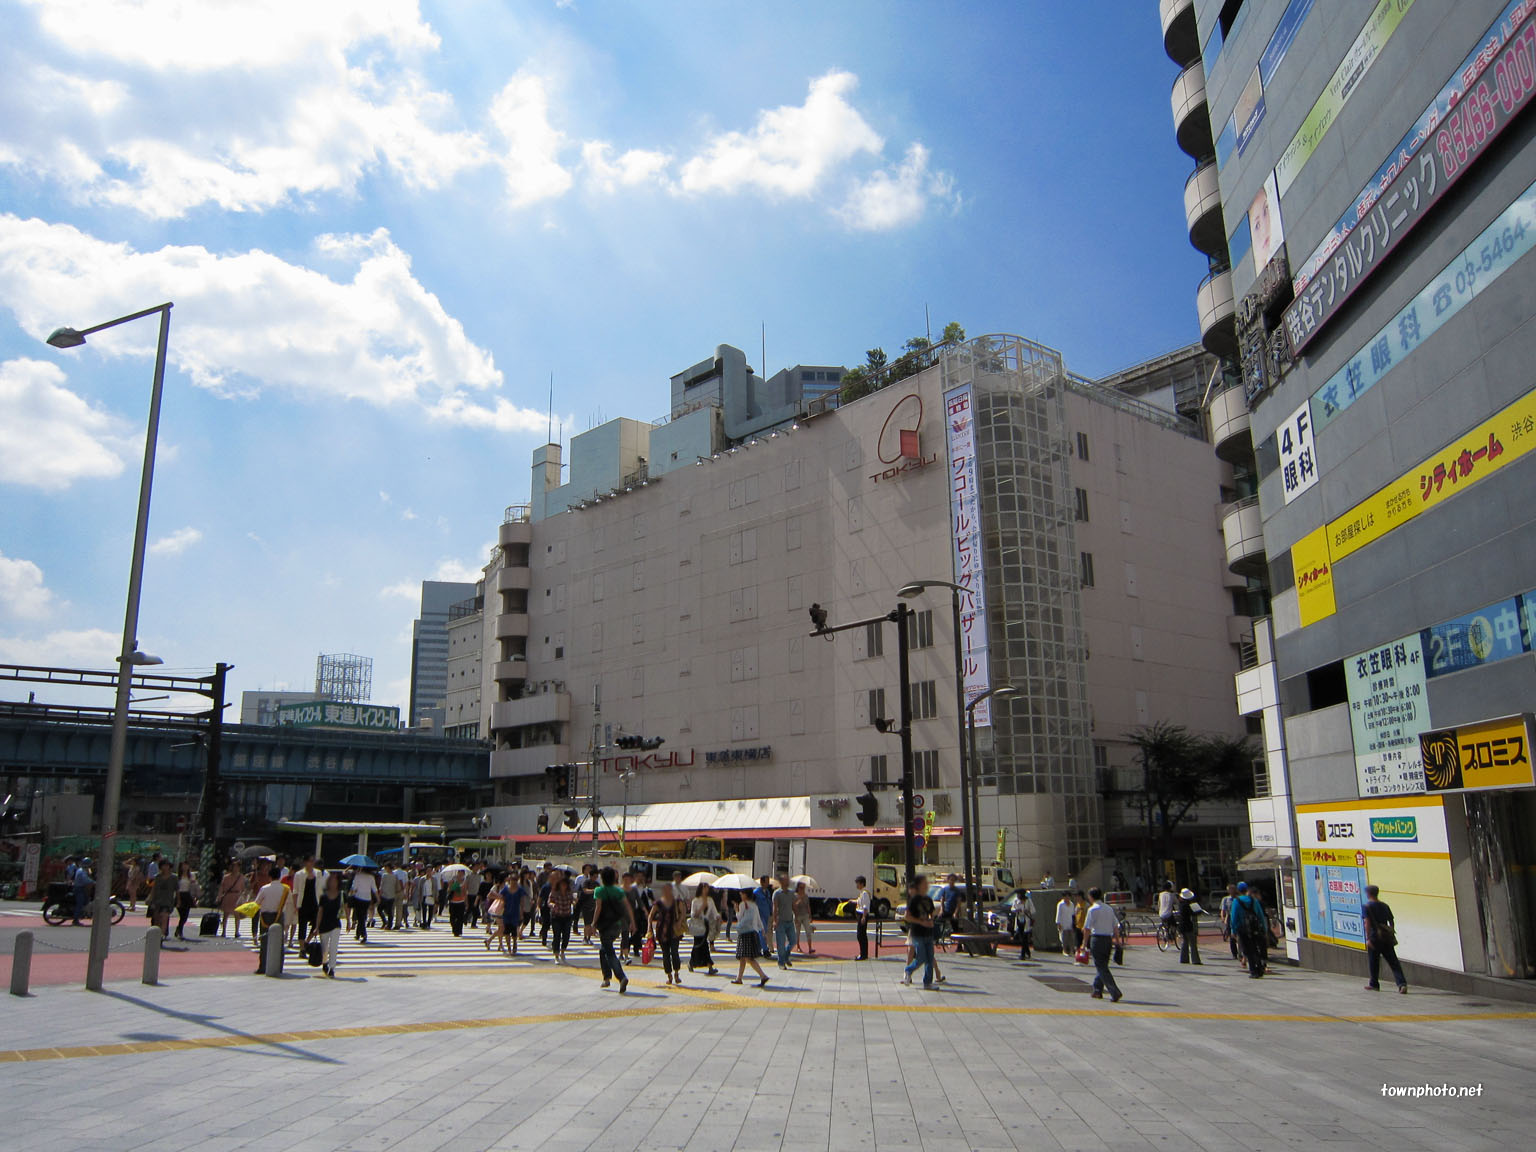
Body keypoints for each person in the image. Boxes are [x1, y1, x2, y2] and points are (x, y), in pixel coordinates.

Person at [590, 866, 633, 993]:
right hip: (617, 925)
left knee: (609, 953)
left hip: (605, 925)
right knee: (604, 950)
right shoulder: (619, 891)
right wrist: (632, 923)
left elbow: (598, 908)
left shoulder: (599, 890)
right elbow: (627, 907)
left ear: (602, 878)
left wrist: (593, 924)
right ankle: (606, 978)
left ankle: (621, 977)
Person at [1362, 885, 1408, 993]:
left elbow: (1367, 923)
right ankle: (1402, 984)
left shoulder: (1367, 907)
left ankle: (1374, 984)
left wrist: (1368, 938)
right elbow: (1391, 921)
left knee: (1374, 962)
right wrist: (1390, 932)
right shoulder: (1384, 905)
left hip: (1374, 937)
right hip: (1386, 938)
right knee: (1393, 962)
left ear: (1368, 894)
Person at [1083, 888, 1123, 1002]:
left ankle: (1114, 991)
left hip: (1097, 939)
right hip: (1108, 939)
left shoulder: (1092, 910)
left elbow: (1087, 928)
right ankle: (1097, 990)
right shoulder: (1108, 909)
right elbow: (1115, 926)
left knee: (1101, 967)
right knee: (1103, 965)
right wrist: (1117, 941)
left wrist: (1084, 944)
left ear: (1091, 897)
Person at [900, 875, 937, 988]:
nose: (927, 885)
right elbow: (907, 916)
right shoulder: (914, 900)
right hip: (917, 933)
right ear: (919, 886)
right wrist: (921, 922)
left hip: (928, 933)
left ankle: (928, 982)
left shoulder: (928, 899)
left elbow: (932, 912)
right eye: (924, 883)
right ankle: (908, 970)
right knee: (921, 958)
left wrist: (931, 919)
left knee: (930, 959)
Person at [731, 886, 771, 987]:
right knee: (743, 958)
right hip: (753, 932)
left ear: (745, 894)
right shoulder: (754, 905)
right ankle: (739, 978)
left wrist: (736, 910)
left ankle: (763, 976)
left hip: (744, 933)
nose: (740, 894)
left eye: (742, 893)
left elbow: (739, 918)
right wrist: (762, 931)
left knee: (747, 958)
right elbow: (758, 919)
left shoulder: (742, 904)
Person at [252, 865, 288, 975]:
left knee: (265, 942)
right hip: (279, 915)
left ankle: (262, 967)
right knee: (279, 942)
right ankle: (279, 967)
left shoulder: (264, 888)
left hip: (265, 916)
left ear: (270, 876)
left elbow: (257, 903)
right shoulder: (285, 889)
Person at [307, 872, 344, 978]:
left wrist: (349, 922)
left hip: (336, 923)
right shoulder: (323, 896)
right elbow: (320, 912)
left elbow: (345, 907)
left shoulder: (341, 894)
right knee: (324, 948)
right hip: (324, 924)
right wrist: (317, 927)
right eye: (331, 881)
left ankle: (332, 968)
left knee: (334, 947)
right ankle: (324, 963)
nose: (333, 883)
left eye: (335, 881)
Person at [1228, 881, 1268, 978]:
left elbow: (1233, 917)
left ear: (1238, 890)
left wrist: (1233, 931)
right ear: (1247, 889)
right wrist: (1265, 929)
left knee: (1248, 951)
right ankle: (1260, 968)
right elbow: (1261, 916)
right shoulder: (1254, 900)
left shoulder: (1236, 901)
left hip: (1243, 929)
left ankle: (1253, 971)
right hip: (1255, 928)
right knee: (1255, 948)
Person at [649, 883, 686, 986]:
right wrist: (649, 927)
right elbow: (651, 915)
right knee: (665, 954)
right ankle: (669, 975)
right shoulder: (659, 903)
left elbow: (683, 912)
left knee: (674, 952)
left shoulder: (676, 901)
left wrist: (679, 922)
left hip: (674, 931)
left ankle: (677, 974)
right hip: (662, 931)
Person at [688, 881, 721, 975]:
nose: (706, 890)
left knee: (703, 944)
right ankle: (693, 962)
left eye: (707, 888)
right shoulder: (695, 900)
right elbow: (693, 914)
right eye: (704, 888)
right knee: (698, 944)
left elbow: (714, 912)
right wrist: (702, 906)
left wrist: (718, 917)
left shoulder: (710, 900)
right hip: (698, 924)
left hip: (706, 924)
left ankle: (709, 965)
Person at [292, 857, 324, 944]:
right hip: (302, 903)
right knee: (302, 926)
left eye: (313, 861)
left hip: (315, 902)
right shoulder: (299, 874)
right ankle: (302, 948)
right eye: (310, 861)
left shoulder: (318, 873)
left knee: (316, 924)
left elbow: (320, 889)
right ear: (305, 862)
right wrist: (295, 905)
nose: (312, 863)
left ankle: (307, 942)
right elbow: (295, 891)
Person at [546, 873, 575, 963]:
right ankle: (556, 955)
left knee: (566, 935)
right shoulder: (554, 892)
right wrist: (552, 905)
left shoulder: (569, 893)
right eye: (562, 884)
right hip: (556, 916)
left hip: (567, 916)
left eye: (565, 884)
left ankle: (563, 950)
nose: (564, 886)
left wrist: (574, 902)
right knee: (557, 935)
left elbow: (572, 900)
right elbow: (549, 901)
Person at [771, 874, 797, 969]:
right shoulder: (777, 893)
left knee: (793, 941)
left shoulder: (791, 893)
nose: (788, 881)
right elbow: (775, 908)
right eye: (786, 880)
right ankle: (781, 962)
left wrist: (796, 917)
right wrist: (774, 920)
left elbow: (794, 906)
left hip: (790, 920)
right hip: (780, 921)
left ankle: (786, 956)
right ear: (782, 882)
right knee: (781, 944)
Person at [148, 860, 177, 940]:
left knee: (164, 917)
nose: (165, 867)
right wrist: (150, 898)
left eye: (167, 865)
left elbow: (177, 890)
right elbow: (154, 888)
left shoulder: (174, 877)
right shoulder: (157, 877)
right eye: (163, 865)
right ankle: (156, 933)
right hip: (157, 900)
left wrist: (178, 900)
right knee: (157, 918)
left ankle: (162, 935)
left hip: (168, 900)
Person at [349, 866, 378, 943]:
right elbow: (374, 889)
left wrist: (351, 893)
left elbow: (354, 888)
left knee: (360, 916)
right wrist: (378, 898)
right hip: (367, 898)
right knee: (363, 916)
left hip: (358, 898)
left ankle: (364, 934)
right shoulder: (371, 877)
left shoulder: (358, 876)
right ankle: (358, 934)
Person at [1176, 887, 1204, 965]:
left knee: (1185, 942)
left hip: (1182, 925)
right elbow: (1193, 913)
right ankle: (1195, 960)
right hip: (1188, 925)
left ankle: (1184, 959)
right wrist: (1198, 911)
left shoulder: (1181, 904)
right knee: (1192, 943)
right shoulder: (1187, 905)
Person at [217, 862, 246, 937]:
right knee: (226, 915)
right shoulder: (226, 877)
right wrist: (219, 896)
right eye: (234, 867)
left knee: (237, 915)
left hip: (237, 896)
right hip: (228, 896)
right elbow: (222, 887)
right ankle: (223, 932)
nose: (235, 869)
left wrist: (243, 898)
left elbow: (243, 888)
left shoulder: (241, 877)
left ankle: (237, 932)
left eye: (237, 867)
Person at [173, 861, 199, 941]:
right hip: (179, 895)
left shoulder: (191, 875)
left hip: (188, 895)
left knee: (185, 916)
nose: (185, 867)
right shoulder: (177, 876)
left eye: (186, 865)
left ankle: (179, 929)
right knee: (181, 914)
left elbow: (194, 886)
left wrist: (195, 897)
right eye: (183, 866)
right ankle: (179, 930)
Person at [1009, 889, 1036, 960]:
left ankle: (1023, 954)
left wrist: (1027, 911)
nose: (1018, 896)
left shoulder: (1028, 901)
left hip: (1026, 920)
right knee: (1022, 937)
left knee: (1025, 937)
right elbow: (1012, 909)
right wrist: (1016, 910)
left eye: (1019, 894)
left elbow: (1033, 910)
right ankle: (1028, 952)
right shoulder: (1015, 900)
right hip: (1019, 919)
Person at [753, 875, 774, 958]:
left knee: (763, 932)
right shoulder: (756, 892)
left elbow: (769, 902)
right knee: (762, 932)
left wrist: (771, 912)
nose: (768, 883)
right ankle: (765, 950)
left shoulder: (767, 892)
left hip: (766, 915)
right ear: (762, 882)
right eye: (766, 881)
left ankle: (758, 949)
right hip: (759, 915)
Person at [1219, 883, 1240, 964]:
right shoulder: (1226, 899)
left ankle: (1241, 952)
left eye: (1232, 889)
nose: (1231, 891)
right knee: (1231, 936)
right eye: (1229, 889)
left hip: (1238, 917)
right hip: (1230, 917)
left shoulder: (1238, 898)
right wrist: (1223, 917)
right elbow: (1223, 910)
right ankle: (1234, 953)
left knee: (1240, 935)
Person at [70, 856, 94, 925]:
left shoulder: (82, 870)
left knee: (86, 901)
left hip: (81, 888)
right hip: (79, 889)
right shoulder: (81, 871)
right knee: (80, 904)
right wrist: (93, 882)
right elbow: (85, 880)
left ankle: (83, 914)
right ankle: (75, 920)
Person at [793, 880, 815, 956]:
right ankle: (798, 946)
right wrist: (798, 901)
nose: (802, 889)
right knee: (797, 932)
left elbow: (808, 906)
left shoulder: (806, 896)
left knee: (808, 931)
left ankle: (810, 948)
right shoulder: (795, 896)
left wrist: (810, 915)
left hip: (805, 915)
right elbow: (793, 906)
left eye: (803, 887)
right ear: (798, 888)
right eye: (801, 887)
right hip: (797, 915)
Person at [939, 874, 963, 939]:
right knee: (938, 921)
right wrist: (942, 909)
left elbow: (959, 903)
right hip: (946, 910)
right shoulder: (945, 889)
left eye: (953, 880)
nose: (952, 881)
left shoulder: (957, 890)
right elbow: (942, 899)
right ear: (948, 880)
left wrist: (955, 913)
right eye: (950, 880)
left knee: (955, 928)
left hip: (954, 911)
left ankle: (959, 945)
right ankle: (939, 936)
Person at [854, 876, 872, 960]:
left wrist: (864, 917)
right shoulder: (861, 893)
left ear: (861, 884)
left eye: (857, 883)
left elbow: (865, 906)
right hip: (860, 914)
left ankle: (863, 954)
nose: (857, 885)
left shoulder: (865, 893)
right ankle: (863, 953)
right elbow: (859, 902)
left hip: (862, 914)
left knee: (861, 935)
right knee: (860, 935)